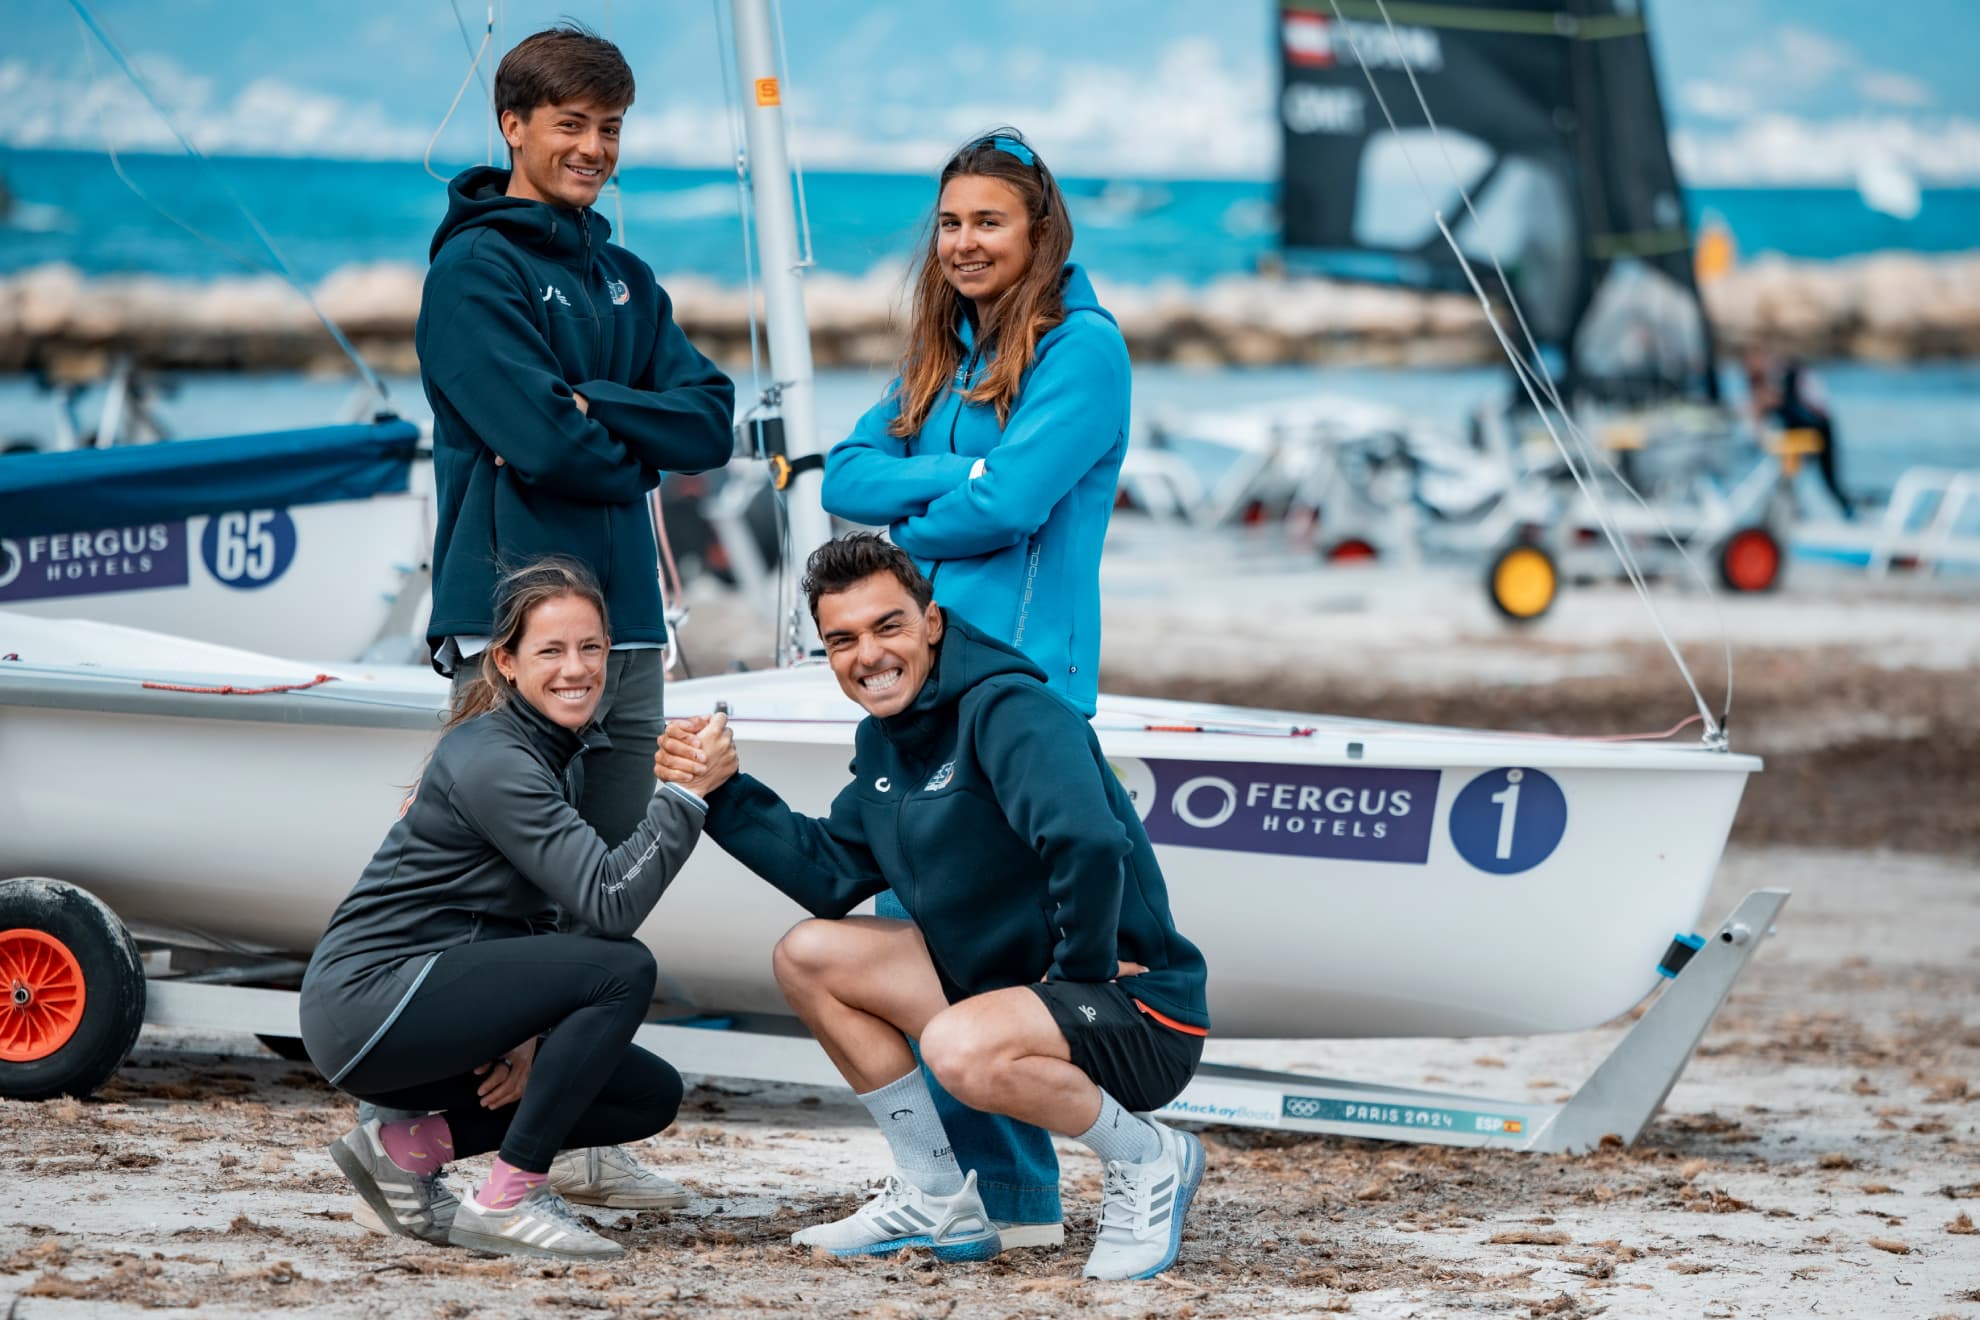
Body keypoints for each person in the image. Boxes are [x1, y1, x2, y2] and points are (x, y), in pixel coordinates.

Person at [660, 535, 1208, 1281]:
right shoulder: (888, 740)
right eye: (843, 639)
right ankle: (936, 1193)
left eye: (888, 626)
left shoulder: (1011, 709)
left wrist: (1077, 971)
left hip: (1133, 1008)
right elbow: (827, 875)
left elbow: (1086, 841)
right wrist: (722, 792)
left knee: (955, 1046)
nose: (869, 654)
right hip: (1008, 1003)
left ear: (932, 623)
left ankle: (1149, 1157)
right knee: (811, 953)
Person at [395, 21, 735, 1217]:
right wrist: (610, 435)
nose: (593, 148)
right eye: (571, 125)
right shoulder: (473, 273)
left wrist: (602, 407)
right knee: (498, 888)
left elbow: (712, 423)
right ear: (515, 126)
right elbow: (542, 439)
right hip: (513, 626)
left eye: (609, 128)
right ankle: (447, 1135)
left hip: (628, 629)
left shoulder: (626, 278)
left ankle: (565, 1133)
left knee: (598, 892)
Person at [817, 128, 1132, 1248]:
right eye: (949, 223)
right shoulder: (942, 349)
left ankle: (1020, 1197)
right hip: (920, 689)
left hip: (1019, 692)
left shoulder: (1081, 351)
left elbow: (1015, 511)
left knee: (972, 955)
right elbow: (841, 482)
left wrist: (943, 498)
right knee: (923, 948)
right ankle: (989, 1201)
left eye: (988, 221)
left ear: (1039, 231)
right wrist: (960, 474)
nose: (963, 242)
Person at [301, 558, 737, 1262]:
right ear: (505, 662)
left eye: (591, 648)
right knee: (623, 968)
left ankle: (405, 1151)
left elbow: (538, 915)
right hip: (368, 1005)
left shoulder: (550, 750)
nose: (577, 668)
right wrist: (685, 793)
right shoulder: (495, 757)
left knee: (645, 1093)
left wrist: (531, 1034)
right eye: (552, 651)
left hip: (429, 997)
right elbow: (610, 901)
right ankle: (507, 1200)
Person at [1742, 346, 1853, 519]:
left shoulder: (1783, 372)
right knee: (1788, 478)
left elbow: (1785, 404)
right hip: (1798, 433)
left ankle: (1849, 514)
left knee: (1829, 483)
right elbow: (1763, 411)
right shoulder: (1765, 379)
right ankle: (1792, 511)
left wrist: (1763, 410)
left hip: (1817, 430)